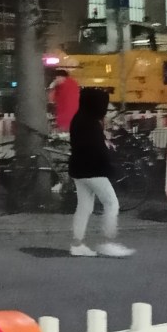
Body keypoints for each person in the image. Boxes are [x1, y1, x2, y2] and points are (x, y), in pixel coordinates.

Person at [67, 88, 133, 258]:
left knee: (84, 207)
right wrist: (110, 166)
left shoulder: (79, 119)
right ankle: (108, 242)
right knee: (111, 203)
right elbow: (97, 150)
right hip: (93, 170)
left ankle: (77, 244)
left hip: (78, 169)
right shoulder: (91, 123)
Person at [50, 69, 80, 136]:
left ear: (61, 77)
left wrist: (52, 86)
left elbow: (51, 99)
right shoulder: (73, 84)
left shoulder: (66, 86)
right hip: (73, 119)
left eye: (56, 78)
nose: (56, 80)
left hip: (65, 120)